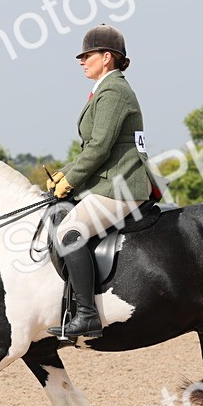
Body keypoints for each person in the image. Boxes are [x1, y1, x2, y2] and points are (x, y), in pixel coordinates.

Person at [45, 24, 158, 340]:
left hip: (122, 185)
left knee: (69, 232)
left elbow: (99, 147)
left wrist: (71, 181)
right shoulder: (106, 89)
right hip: (111, 180)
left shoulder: (113, 91)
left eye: (87, 55)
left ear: (107, 57)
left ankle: (87, 315)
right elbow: (92, 147)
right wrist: (63, 174)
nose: (82, 61)